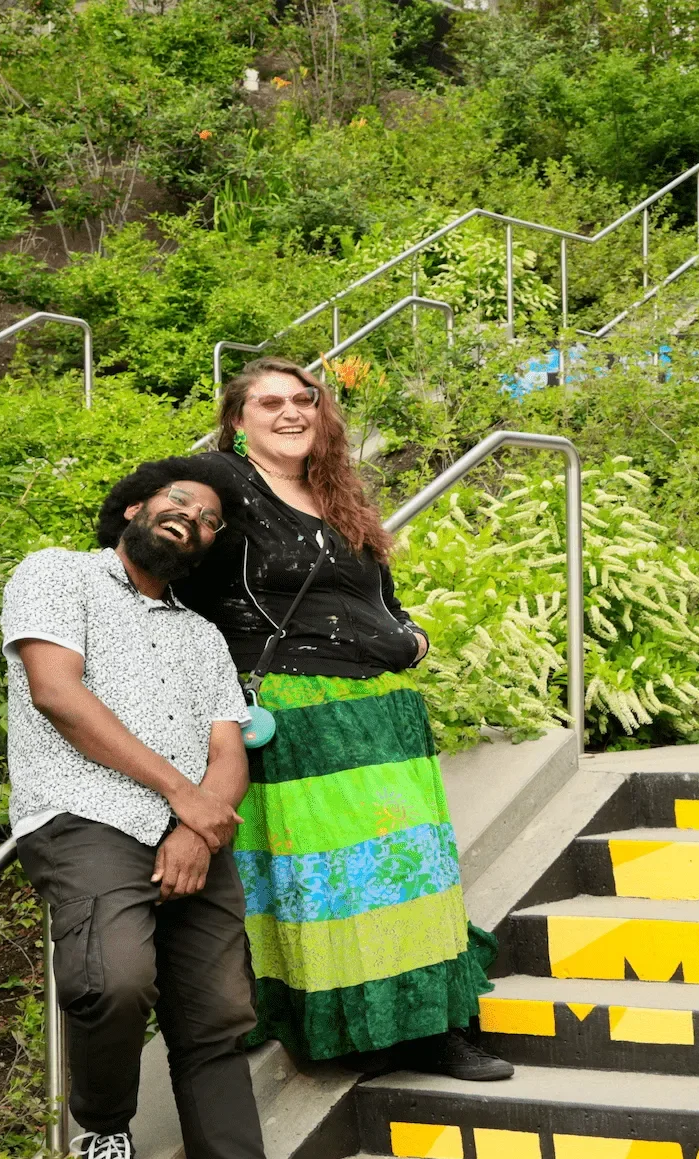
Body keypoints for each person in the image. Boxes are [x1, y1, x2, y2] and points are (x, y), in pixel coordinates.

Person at [2, 455, 369, 1159]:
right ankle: (103, 1130)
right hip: (85, 816)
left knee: (218, 1021)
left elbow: (226, 747)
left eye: (208, 521)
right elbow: (57, 693)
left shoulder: (202, 636)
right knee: (114, 979)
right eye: (180, 502)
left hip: (191, 835)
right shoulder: (57, 575)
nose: (192, 520)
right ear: (134, 506)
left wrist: (197, 829)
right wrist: (183, 801)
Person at [173, 357, 509, 1081]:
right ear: (237, 422)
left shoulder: (338, 494)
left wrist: (411, 636)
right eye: (268, 403)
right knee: (329, 881)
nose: (291, 412)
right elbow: (156, 552)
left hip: (378, 711)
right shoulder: (222, 487)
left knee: (413, 873)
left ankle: (434, 1029)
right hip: (293, 713)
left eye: (304, 400)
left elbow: (379, 595)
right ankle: (338, 1026)